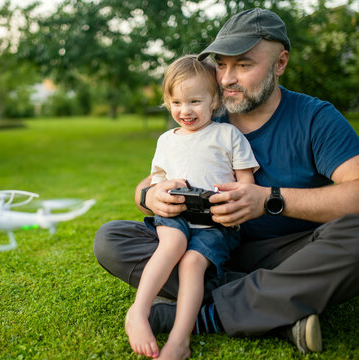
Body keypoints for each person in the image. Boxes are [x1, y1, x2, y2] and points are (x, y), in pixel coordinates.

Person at [94, 7, 359, 357]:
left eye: (244, 65)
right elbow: (147, 185)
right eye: (221, 64)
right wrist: (152, 195)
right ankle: (278, 307)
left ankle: (202, 317)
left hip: (291, 253)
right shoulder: (206, 110)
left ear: (280, 63)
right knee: (112, 238)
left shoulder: (315, 118)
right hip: (206, 245)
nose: (226, 78)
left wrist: (268, 199)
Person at [125, 55, 259, 359]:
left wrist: (238, 198)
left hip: (216, 223)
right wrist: (159, 191)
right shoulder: (166, 140)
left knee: (191, 264)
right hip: (177, 214)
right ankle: (139, 311)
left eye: (195, 102)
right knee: (172, 243)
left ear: (215, 100)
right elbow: (156, 181)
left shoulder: (227, 135)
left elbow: (247, 184)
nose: (185, 111)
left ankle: (180, 339)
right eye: (176, 102)